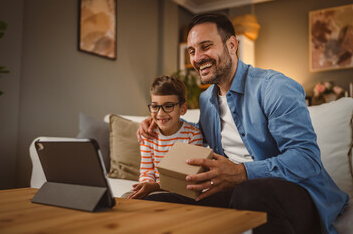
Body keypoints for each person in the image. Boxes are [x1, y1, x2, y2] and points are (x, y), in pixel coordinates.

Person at [137, 13, 349, 233]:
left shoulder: (274, 87)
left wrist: (242, 172)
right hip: (233, 190)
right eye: (192, 51)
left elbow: (307, 158)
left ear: (231, 45)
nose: (197, 58)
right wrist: (157, 120)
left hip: (296, 192)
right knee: (155, 202)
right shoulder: (206, 100)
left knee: (249, 193)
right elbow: (196, 138)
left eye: (206, 46)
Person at [127, 75, 203, 199]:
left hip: (181, 191)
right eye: (155, 107)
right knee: (126, 198)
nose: (161, 113)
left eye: (168, 106)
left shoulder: (192, 135)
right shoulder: (148, 135)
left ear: (182, 108)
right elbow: (147, 171)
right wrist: (145, 185)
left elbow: (189, 178)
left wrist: (156, 187)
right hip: (154, 189)